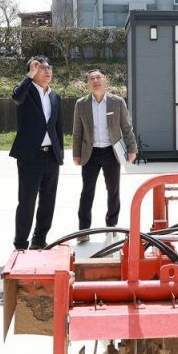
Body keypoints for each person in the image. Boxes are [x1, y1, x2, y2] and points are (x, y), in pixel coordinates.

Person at [72, 68, 138, 243]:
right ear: (88, 83)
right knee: (87, 192)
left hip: (111, 152)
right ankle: (83, 231)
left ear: (105, 80)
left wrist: (132, 148)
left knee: (113, 191)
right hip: (90, 153)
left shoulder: (117, 102)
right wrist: (76, 154)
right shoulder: (81, 104)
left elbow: (126, 127)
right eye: (91, 78)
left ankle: (111, 227)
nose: (95, 81)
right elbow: (77, 131)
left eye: (98, 77)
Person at [10, 56, 63, 250]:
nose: (47, 71)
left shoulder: (54, 96)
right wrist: (29, 76)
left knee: (48, 202)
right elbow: (16, 97)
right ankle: (20, 244)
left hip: (51, 156)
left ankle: (39, 240)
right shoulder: (26, 91)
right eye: (41, 68)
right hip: (30, 157)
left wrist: (59, 154)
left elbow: (58, 127)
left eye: (49, 68)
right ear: (32, 71)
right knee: (27, 202)